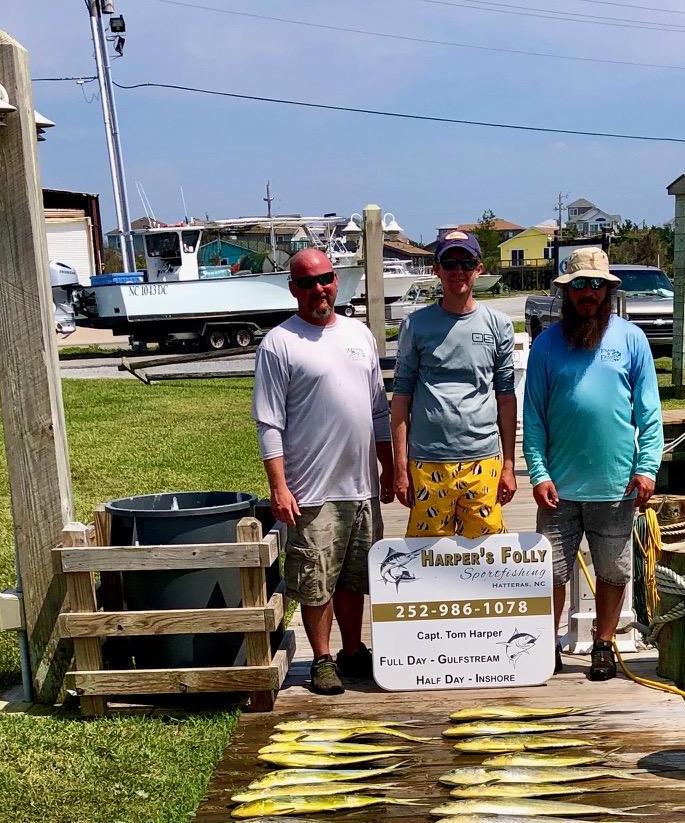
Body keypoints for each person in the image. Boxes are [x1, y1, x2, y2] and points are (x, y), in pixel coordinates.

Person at [252, 246, 394, 695]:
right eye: (307, 282)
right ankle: (323, 658)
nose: (319, 289)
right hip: (311, 490)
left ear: (336, 281)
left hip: (362, 487)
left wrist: (389, 468)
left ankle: (354, 650)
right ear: (293, 288)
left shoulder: (360, 334)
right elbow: (269, 421)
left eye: (325, 279)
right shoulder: (279, 342)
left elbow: (378, 410)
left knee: (355, 578)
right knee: (316, 583)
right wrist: (279, 487)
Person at [523, 245, 663, 682]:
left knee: (614, 571)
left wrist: (647, 467)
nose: (588, 293)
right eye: (579, 284)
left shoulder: (632, 339)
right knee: (552, 574)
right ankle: (550, 646)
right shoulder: (545, 345)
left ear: (608, 290)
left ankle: (603, 643)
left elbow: (650, 412)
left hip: (616, 485)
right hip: (558, 488)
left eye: (596, 285)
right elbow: (533, 417)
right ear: (567, 291)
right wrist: (539, 472)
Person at [391, 229, 517, 538]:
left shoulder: (499, 325)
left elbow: (506, 397)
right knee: (426, 562)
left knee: (488, 559)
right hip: (427, 462)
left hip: (483, 459)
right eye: (449, 263)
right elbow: (401, 399)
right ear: (436, 269)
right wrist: (399, 469)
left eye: (466, 262)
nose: (457, 271)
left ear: (479, 269)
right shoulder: (415, 325)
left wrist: (510, 466)